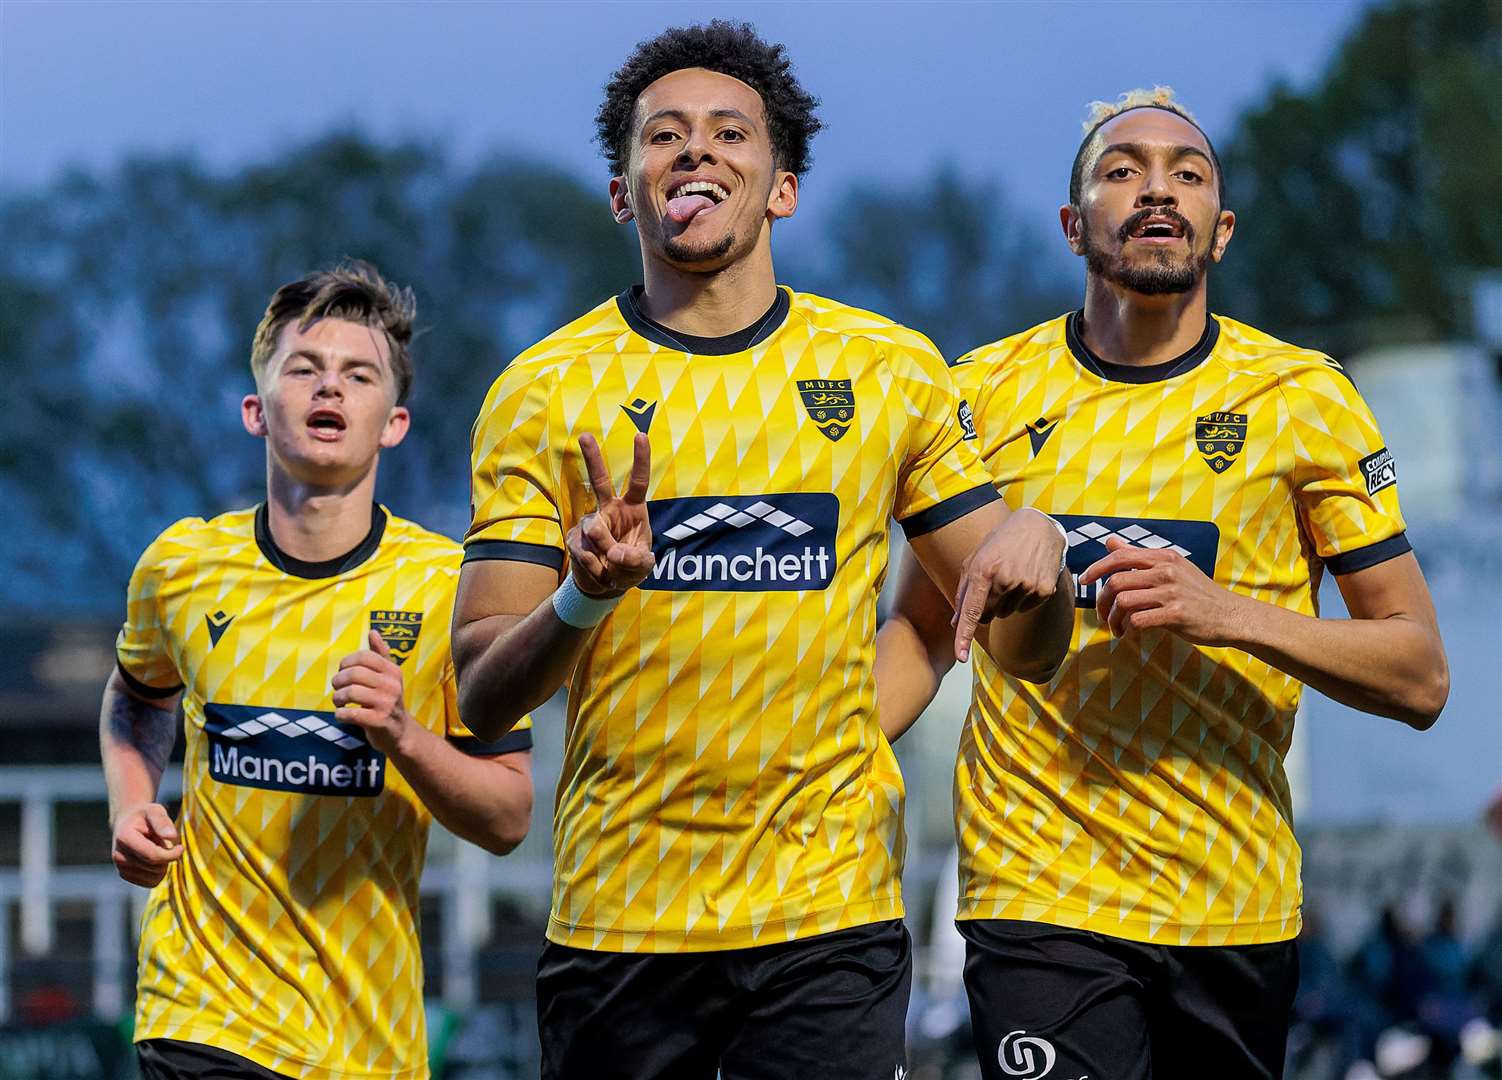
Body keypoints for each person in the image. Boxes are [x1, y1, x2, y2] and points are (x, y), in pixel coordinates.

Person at [452, 21, 1073, 1080]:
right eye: (663, 137)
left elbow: (1024, 650)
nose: (694, 152)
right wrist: (581, 599)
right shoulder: (542, 391)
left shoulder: (886, 371)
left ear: (780, 187)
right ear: (621, 192)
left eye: (728, 133)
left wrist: (1041, 547)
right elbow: (478, 693)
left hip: (826, 920)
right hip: (619, 926)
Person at [875, 87, 1449, 1079]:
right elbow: (925, 632)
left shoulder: (1300, 401)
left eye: (1186, 175)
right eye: (1121, 169)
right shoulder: (976, 397)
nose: (1155, 190)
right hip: (1036, 892)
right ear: (1071, 224)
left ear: (1218, 231)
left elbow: (1416, 676)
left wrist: (1223, 612)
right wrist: (823, 753)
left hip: (1228, 899)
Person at [102, 262, 535, 1080]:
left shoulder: (448, 589)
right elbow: (135, 696)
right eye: (303, 369)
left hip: (368, 1041)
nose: (328, 387)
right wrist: (130, 806)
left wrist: (404, 734)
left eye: (357, 373)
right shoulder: (181, 566)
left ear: (394, 422)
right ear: (256, 411)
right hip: (203, 1013)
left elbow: (507, 817)